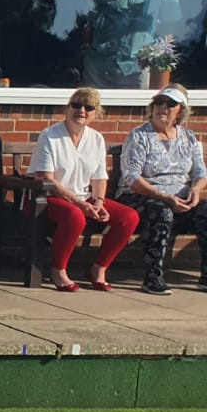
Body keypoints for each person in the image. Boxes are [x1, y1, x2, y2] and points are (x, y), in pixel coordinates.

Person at [29, 87, 139, 292]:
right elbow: (48, 180)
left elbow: (99, 178)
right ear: (67, 108)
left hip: (83, 197)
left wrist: (98, 203)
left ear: (95, 114)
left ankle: (98, 268)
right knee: (75, 216)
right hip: (47, 197)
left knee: (129, 217)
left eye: (89, 107)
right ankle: (58, 270)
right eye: (76, 105)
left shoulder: (96, 138)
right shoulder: (50, 135)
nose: (82, 110)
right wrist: (81, 204)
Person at [115, 85, 207, 295]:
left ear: (181, 111)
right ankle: (152, 278)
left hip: (181, 198)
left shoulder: (190, 137)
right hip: (140, 196)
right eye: (159, 103)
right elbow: (132, 178)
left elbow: (201, 173)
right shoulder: (139, 136)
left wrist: (195, 190)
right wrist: (164, 197)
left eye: (170, 104)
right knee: (161, 211)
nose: (163, 108)